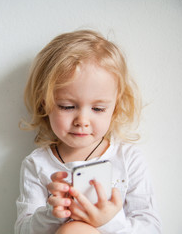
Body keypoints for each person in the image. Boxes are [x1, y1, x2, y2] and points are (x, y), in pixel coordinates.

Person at [14, 30, 161, 234]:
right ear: (44, 103)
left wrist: (107, 221)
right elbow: (23, 230)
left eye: (98, 109)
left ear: (115, 108)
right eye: (67, 106)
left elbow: (152, 228)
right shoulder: (37, 164)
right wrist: (50, 214)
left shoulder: (128, 159)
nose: (82, 121)